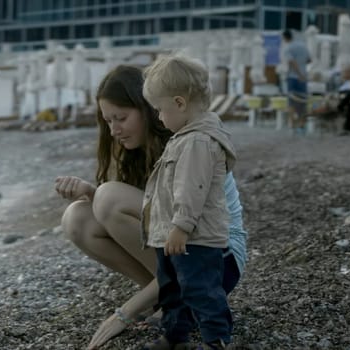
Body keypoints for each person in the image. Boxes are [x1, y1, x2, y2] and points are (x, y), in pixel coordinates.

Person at [55, 65, 247, 349]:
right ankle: (167, 299)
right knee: (78, 217)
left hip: (218, 259)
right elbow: (153, 215)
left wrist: (125, 312)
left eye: (121, 118)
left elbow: (188, 230)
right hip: (186, 252)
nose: (114, 130)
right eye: (108, 121)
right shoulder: (145, 150)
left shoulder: (189, 143)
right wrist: (89, 192)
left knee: (107, 198)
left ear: (149, 108)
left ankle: (177, 300)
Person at [141, 55, 236, 349]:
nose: (158, 117)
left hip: (195, 237)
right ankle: (175, 336)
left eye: (160, 110)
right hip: (176, 235)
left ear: (180, 103)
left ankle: (216, 339)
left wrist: (180, 226)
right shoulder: (184, 137)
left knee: (200, 289)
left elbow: (192, 188)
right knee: (172, 289)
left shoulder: (197, 141)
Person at [282, 29, 311, 134]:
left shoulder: (288, 48)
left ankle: (292, 125)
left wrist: (299, 74)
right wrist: (303, 72)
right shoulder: (303, 46)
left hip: (293, 77)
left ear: (285, 38)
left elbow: (292, 62)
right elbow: (309, 60)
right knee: (303, 101)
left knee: (291, 102)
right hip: (304, 77)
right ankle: (302, 124)